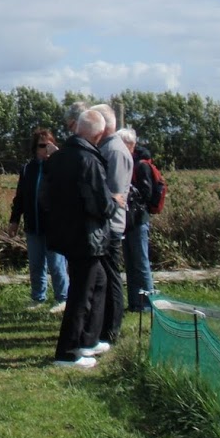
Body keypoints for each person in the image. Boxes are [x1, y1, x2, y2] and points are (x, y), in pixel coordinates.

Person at [40, 109, 123, 369]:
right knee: (81, 293)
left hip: (68, 231)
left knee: (97, 282)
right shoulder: (89, 160)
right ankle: (67, 352)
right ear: (98, 134)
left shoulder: (59, 157)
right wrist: (113, 201)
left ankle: (87, 340)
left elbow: (46, 196)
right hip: (86, 235)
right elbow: (98, 203)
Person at [9, 128, 68, 313]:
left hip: (54, 225)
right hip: (33, 224)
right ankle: (38, 297)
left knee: (56, 264)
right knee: (36, 264)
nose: (45, 149)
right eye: (42, 145)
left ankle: (63, 297)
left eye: (49, 145)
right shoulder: (28, 169)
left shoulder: (60, 167)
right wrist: (14, 220)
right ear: (35, 148)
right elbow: (20, 197)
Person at [94, 103, 132, 345]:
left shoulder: (115, 151)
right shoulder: (106, 147)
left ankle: (111, 329)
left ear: (105, 124)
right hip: (103, 224)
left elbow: (115, 194)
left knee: (111, 278)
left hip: (111, 225)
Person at [124, 135, 156, 312]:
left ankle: (148, 303)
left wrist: (131, 194)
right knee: (130, 261)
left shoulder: (141, 165)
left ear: (130, 145)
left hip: (139, 219)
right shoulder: (129, 163)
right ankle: (135, 302)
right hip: (129, 220)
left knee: (141, 262)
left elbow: (146, 194)